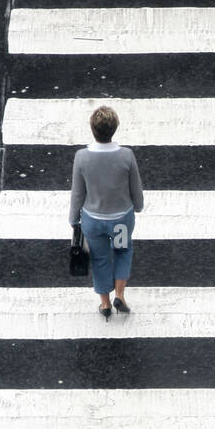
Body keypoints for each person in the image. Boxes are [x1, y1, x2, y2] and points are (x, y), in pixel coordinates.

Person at [69, 106, 144, 320]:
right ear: (115, 129)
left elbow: (77, 193)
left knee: (100, 259)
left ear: (93, 129)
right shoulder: (126, 156)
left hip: (93, 220)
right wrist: (138, 205)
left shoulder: (81, 157)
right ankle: (120, 294)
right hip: (120, 218)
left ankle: (105, 303)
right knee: (122, 251)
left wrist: (73, 218)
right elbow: (135, 187)